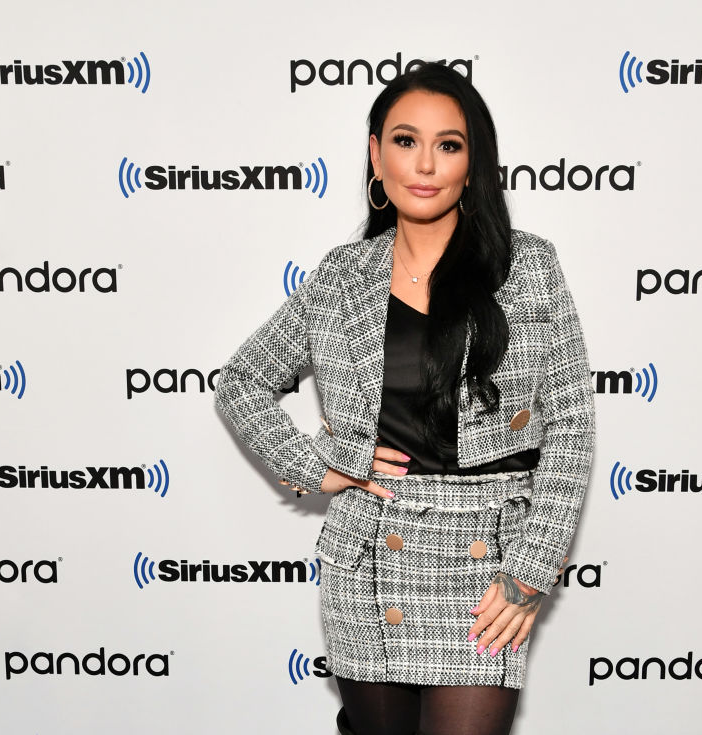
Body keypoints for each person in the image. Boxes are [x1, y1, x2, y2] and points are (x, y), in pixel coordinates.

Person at [214, 63, 595, 735]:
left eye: (448, 144)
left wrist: (529, 571)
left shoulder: (528, 266)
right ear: (375, 154)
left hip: (485, 566)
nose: (424, 164)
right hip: (368, 559)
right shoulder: (342, 276)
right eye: (405, 140)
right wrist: (317, 465)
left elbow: (571, 425)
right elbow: (242, 380)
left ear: (474, 164)